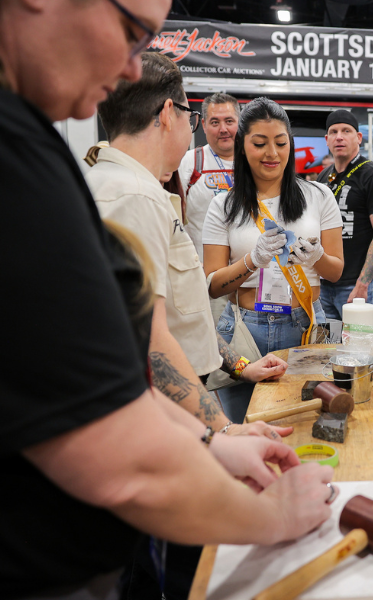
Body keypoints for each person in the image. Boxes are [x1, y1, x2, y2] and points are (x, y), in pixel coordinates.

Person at [0, 1, 334, 599]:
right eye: (131, 33)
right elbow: (136, 375)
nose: (130, 69)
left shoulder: (55, 155)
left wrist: (210, 439)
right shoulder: (117, 191)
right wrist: (270, 515)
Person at [89, 52, 288, 434]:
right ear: (168, 113)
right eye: (194, 118)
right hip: (162, 414)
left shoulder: (126, 187)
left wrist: (242, 367)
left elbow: (181, 315)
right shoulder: (135, 198)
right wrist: (223, 431)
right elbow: (151, 337)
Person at [204, 97, 345, 423]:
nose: (272, 153)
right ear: (242, 146)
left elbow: (336, 272)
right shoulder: (223, 205)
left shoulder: (318, 196)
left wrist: (318, 256)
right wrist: (252, 260)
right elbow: (211, 285)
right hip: (243, 330)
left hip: (309, 323)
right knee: (245, 426)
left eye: (281, 143)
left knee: (309, 422)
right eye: (260, 143)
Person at [317, 110, 373, 319]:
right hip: (324, 285)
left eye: (346, 131)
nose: (339, 136)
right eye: (333, 132)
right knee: (325, 348)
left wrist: (363, 284)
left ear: (358, 138)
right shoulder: (324, 177)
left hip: (356, 284)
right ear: (327, 140)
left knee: (357, 346)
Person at [178, 92, 239, 261]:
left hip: (247, 275)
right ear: (203, 125)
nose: (223, 129)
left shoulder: (254, 163)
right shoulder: (188, 162)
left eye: (229, 121)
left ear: (240, 123)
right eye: (215, 122)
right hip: (200, 275)